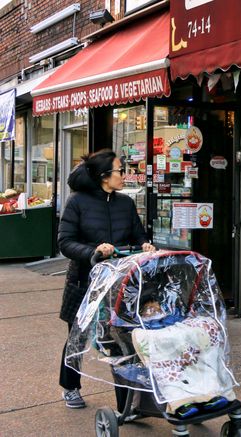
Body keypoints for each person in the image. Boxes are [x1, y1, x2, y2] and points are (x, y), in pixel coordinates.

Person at [57, 149, 155, 409]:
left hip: (122, 283)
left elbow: (138, 234)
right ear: (104, 176)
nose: (125, 174)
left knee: (123, 341)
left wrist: (145, 245)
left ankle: (128, 403)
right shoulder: (77, 202)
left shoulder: (126, 202)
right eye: (120, 170)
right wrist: (94, 252)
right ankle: (71, 387)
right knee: (77, 338)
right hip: (85, 282)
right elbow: (65, 242)